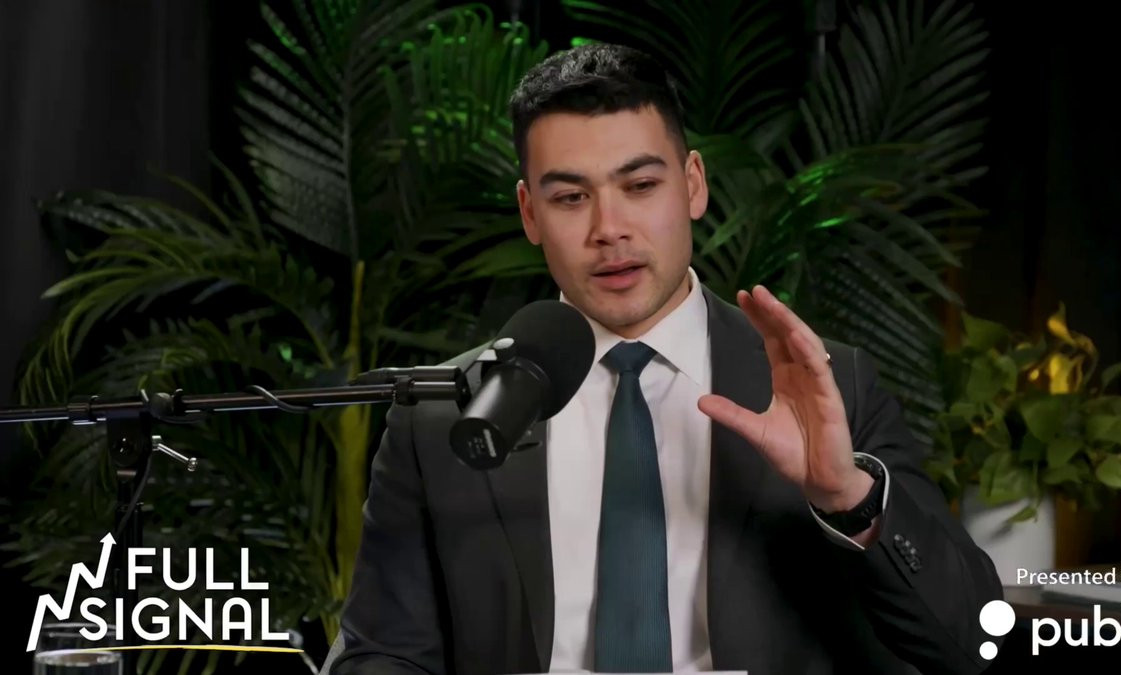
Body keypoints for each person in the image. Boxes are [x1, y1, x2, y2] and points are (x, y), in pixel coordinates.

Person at [324, 43, 1004, 675]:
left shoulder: (828, 386)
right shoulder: (445, 412)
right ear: (530, 213)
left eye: (641, 185)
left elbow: (972, 643)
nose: (609, 229)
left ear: (693, 184)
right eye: (571, 198)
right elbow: (383, 654)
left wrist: (848, 498)